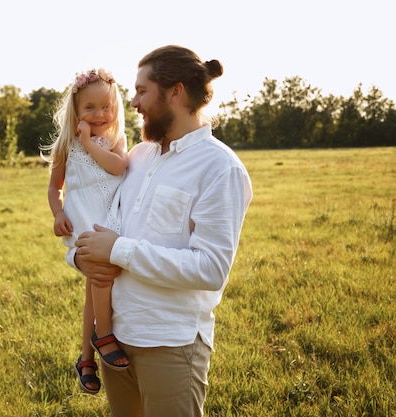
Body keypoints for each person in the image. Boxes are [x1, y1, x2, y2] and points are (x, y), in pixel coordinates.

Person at [70, 45, 253, 416]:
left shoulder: (220, 168)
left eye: (142, 91)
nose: (132, 102)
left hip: (171, 343)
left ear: (175, 92)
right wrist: (79, 257)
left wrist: (117, 250)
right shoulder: (136, 157)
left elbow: (211, 270)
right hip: (115, 340)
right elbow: (92, 221)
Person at [44, 68, 130, 395]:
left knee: (96, 285)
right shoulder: (66, 145)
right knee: (101, 276)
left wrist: (89, 143)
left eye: (106, 107)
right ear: (75, 112)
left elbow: (118, 167)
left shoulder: (115, 140)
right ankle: (104, 335)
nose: (99, 115)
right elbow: (55, 188)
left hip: (109, 221)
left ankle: (85, 359)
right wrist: (56, 214)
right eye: (89, 108)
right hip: (83, 222)